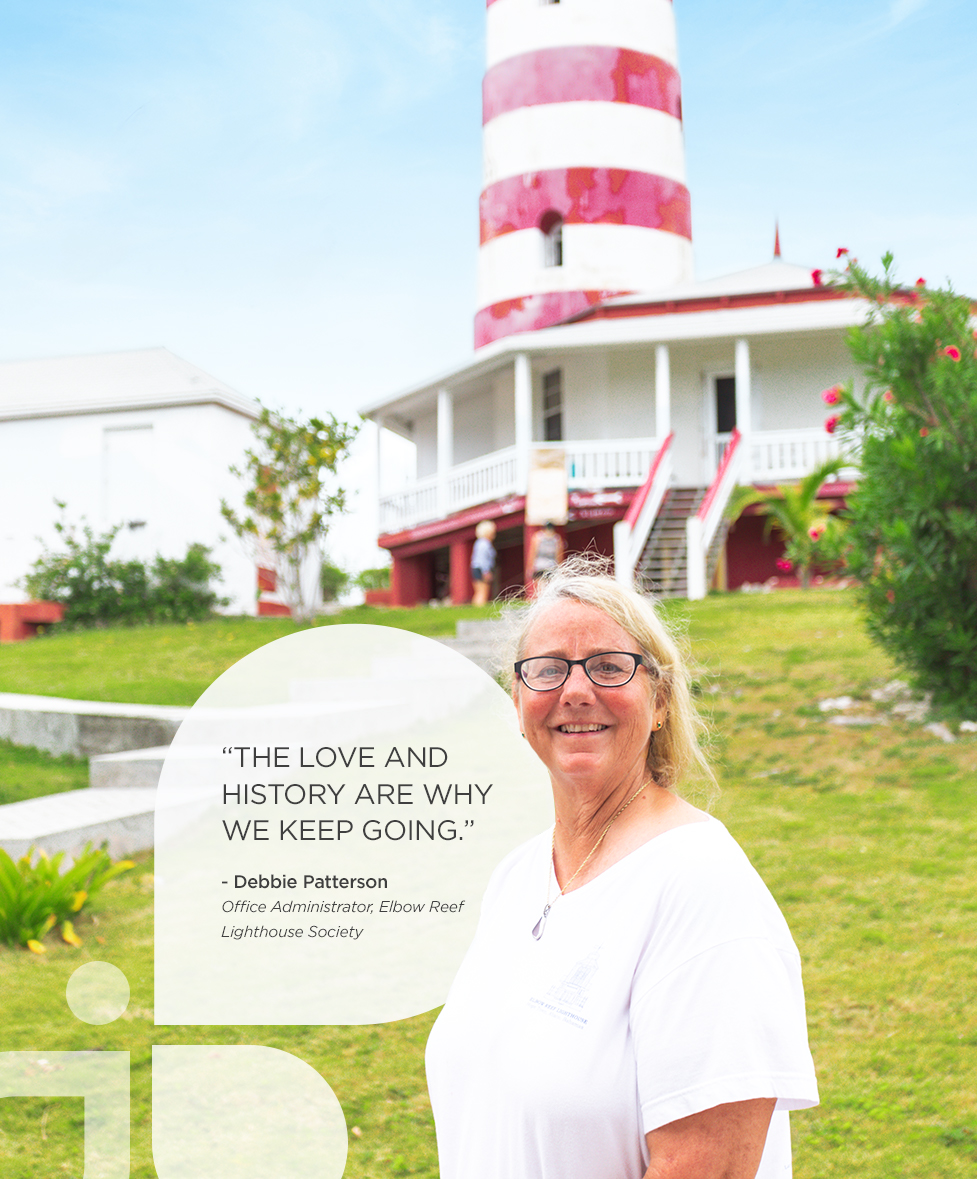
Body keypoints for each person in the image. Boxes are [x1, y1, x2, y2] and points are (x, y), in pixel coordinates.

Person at [426, 557, 818, 1179]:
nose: (575, 691)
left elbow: (705, 1169)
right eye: (547, 669)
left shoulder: (702, 884)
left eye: (609, 667)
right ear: (518, 698)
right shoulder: (517, 876)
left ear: (659, 699)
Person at [470, 520, 496, 606]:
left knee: (479, 592)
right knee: (483, 592)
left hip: (477, 568)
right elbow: (483, 559)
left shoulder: (478, 543)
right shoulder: (485, 544)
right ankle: (479, 610)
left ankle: (475, 610)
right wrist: (486, 571)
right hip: (481, 569)